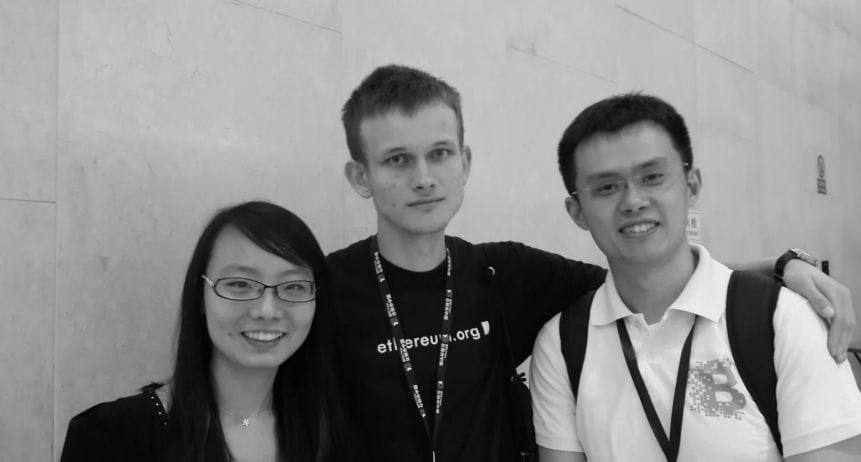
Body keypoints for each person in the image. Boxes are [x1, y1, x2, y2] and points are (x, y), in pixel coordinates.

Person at [329, 64, 856, 461]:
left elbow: (647, 273)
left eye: (440, 153)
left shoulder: (504, 273)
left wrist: (783, 266)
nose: (423, 178)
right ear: (360, 177)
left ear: (464, 163)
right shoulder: (323, 289)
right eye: (397, 159)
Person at [530, 93, 861, 461]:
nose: (633, 201)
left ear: (691, 186)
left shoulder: (784, 319)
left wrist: (788, 263)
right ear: (577, 211)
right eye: (607, 187)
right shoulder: (561, 344)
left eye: (653, 177)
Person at [61, 201, 354, 462]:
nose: (267, 310)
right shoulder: (109, 437)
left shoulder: (335, 436)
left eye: (293, 287)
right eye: (240, 284)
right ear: (200, 296)